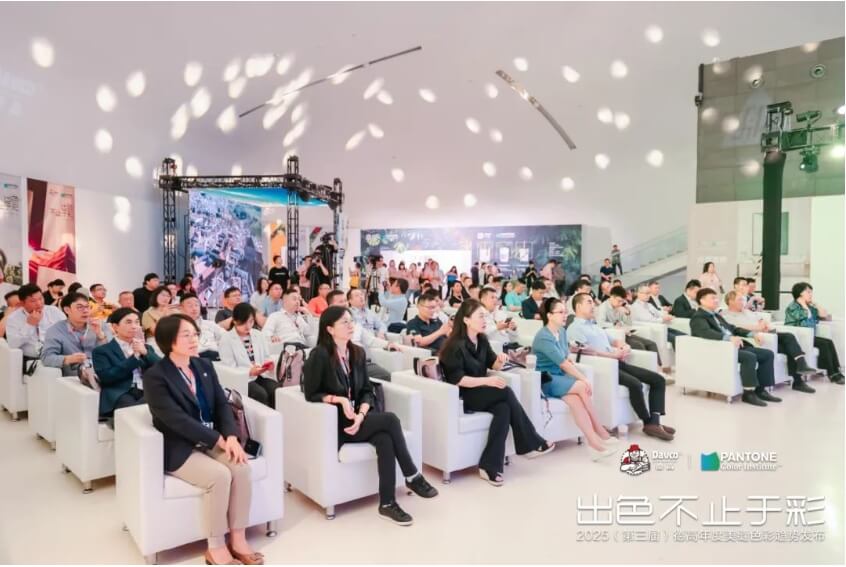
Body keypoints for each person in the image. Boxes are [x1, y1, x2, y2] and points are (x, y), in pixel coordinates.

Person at [143, 314, 263, 565]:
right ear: (169, 341)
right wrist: (219, 439)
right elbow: (176, 420)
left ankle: (238, 539)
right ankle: (215, 546)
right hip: (180, 446)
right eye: (186, 335)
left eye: (195, 334)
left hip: (212, 439)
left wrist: (232, 436)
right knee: (219, 476)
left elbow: (221, 404)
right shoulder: (155, 376)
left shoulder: (204, 366)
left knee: (241, 468)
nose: (194, 339)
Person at [303, 306, 438, 524]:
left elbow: (366, 390)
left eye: (351, 321)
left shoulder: (357, 352)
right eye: (344, 322)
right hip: (337, 423)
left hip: (359, 417)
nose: (350, 326)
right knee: (391, 420)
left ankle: (387, 503)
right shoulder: (319, 355)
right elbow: (310, 393)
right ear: (329, 329)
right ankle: (412, 475)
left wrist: (361, 415)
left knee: (385, 440)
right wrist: (339, 400)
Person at [439, 299, 555, 485]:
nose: (485, 320)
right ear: (466, 320)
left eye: (485, 316)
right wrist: (488, 381)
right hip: (463, 395)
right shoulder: (454, 346)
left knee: (504, 410)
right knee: (505, 392)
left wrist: (500, 360)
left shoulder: (482, 339)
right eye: (480, 316)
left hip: (482, 392)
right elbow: (457, 379)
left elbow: (493, 364)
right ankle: (530, 442)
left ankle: (489, 466)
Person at [568, 293, 674, 441]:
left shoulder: (594, 325)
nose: (593, 305)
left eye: (593, 302)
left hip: (618, 363)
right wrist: (611, 355)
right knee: (635, 384)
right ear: (578, 306)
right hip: (604, 367)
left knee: (658, 380)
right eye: (589, 302)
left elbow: (615, 341)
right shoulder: (574, 328)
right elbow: (585, 351)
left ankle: (655, 422)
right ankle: (648, 422)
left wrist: (624, 346)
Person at [533, 298, 618, 460]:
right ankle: (600, 430)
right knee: (582, 386)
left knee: (577, 402)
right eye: (560, 312)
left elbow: (566, 357)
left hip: (559, 378)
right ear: (549, 315)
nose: (565, 315)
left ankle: (594, 445)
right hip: (546, 380)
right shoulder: (543, 337)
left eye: (565, 312)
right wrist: (583, 378)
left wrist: (571, 364)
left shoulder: (562, 332)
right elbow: (563, 363)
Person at [690, 288, 779, 406]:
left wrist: (752, 334)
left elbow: (733, 328)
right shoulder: (698, 317)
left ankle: (761, 390)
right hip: (720, 349)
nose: (716, 300)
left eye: (716, 298)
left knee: (767, 354)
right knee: (749, 357)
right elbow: (706, 333)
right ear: (702, 300)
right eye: (713, 298)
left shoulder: (716, 315)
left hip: (734, 346)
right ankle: (748, 393)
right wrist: (729, 338)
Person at [721, 291, 818, 393]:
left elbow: (762, 320)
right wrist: (758, 328)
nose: (743, 302)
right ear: (730, 301)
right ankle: (799, 378)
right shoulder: (726, 315)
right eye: (740, 300)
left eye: (744, 300)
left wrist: (764, 325)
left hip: (766, 333)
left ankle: (800, 367)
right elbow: (738, 328)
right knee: (789, 347)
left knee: (789, 339)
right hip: (754, 338)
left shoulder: (747, 312)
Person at [92, 307, 159, 420]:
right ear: (115, 327)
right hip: (120, 392)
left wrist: (145, 353)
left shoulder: (146, 348)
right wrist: (135, 357)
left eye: (137, 322)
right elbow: (107, 377)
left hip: (146, 390)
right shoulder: (102, 351)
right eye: (128, 322)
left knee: (153, 404)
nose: (134, 326)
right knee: (135, 411)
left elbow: (162, 368)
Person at [327, 291, 400, 381]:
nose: (345, 304)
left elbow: (371, 340)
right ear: (331, 306)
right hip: (342, 363)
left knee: (388, 376)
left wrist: (387, 344)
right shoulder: (329, 326)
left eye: (345, 301)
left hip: (361, 361)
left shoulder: (355, 324)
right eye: (341, 302)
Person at [219, 303, 280, 408]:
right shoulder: (226, 339)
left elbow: (266, 356)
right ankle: (260, 418)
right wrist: (249, 371)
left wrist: (269, 364)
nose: (248, 326)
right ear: (235, 321)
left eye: (251, 321)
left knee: (276, 389)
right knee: (260, 394)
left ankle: (275, 417)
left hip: (260, 374)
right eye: (243, 322)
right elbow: (229, 366)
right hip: (242, 378)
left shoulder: (258, 334)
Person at [784, 282, 843, 385]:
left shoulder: (809, 306)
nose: (811, 294)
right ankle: (832, 374)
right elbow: (804, 317)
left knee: (828, 342)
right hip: (798, 337)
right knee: (824, 344)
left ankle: (836, 370)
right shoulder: (792, 307)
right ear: (800, 293)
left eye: (811, 292)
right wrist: (803, 305)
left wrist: (816, 305)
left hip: (810, 336)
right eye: (808, 292)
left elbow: (824, 315)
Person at [42, 292, 111, 376]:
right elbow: (46, 358)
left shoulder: (100, 325)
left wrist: (100, 335)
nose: (85, 311)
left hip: (104, 373)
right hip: (75, 377)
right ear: (67, 310)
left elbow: (113, 353)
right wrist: (68, 359)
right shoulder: (56, 330)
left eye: (87, 307)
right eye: (80, 307)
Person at [595, 286, 663, 366]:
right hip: (616, 336)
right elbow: (600, 323)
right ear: (612, 297)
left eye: (622, 301)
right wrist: (614, 325)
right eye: (619, 301)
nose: (620, 303)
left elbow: (629, 323)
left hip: (626, 333)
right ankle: (646, 368)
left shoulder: (619, 307)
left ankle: (658, 367)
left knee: (651, 344)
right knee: (639, 345)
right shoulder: (603, 307)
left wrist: (627, 313)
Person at [5, 283, 66, 361]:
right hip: (31, 359)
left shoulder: (54, 311)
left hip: (58, 355)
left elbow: (68, 332)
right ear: (22, 303)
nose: (39, 304)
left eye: (40, 298)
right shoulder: (13, 318)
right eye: (33, 301)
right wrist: (29, 325)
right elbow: (13, 344)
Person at [181, 293, 224, 361]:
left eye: (196, 305)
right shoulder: (178, 326)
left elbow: (225, 337)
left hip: (216, 355)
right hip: (194, 358)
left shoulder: (210, 324)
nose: (194, 308)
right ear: (181, 308)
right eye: (190, 306)